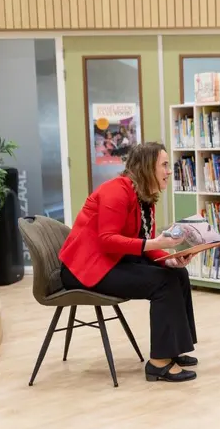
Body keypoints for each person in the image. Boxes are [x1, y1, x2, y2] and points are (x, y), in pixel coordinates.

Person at [59, 142, 198, 383]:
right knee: (163, 284)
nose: (169, 171)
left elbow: (145, 243)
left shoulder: (145, 196)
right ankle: (159, 363)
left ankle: (173, 348)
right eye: (164, 165)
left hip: (112, 260)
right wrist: (157, 245)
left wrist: (170, 260)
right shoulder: (116, 191)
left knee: (177, 275)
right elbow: (107, 241)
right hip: (86, 268)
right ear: (147, 167)